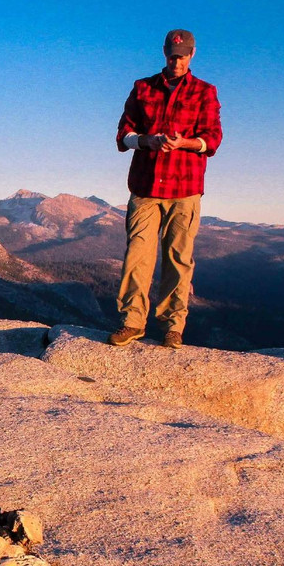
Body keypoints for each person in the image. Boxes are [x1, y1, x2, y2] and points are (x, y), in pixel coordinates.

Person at [109, 29, 222, 349]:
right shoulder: (143, 88)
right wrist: (147, 141)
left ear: (192, 54)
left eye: (183, 55)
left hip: (185, 188)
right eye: (173, 55)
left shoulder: (204, 91)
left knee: (179, 258)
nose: (177, 60)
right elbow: (123, 136)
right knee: (137, 257)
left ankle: (173, 326)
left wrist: (183, 143)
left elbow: (212, 140)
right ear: (164, 53)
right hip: (145, 187)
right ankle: (132, 321)